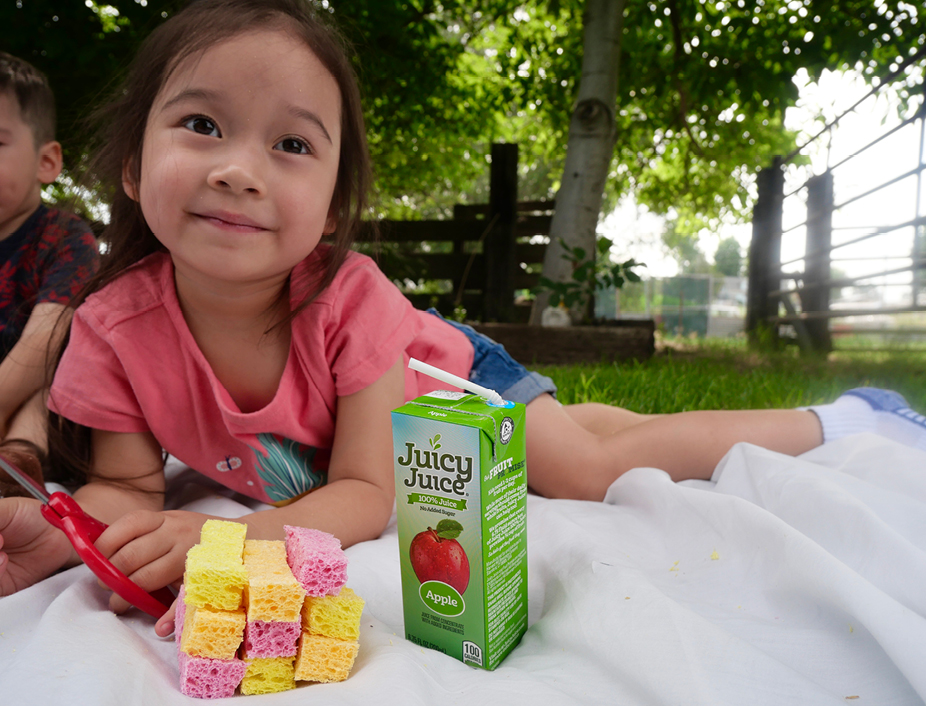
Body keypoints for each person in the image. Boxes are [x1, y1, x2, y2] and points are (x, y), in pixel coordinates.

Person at [1, 0, 924, 640]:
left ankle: (844, 418)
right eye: (201, 124)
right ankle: (600, 419)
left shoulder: (346, 296)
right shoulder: (110, 329)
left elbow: (369, 494)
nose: (240, 169)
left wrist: (237, 538)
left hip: (443, 386)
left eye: (290, 144)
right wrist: (83, 532)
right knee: (601, 428)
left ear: (328, 207)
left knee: (583, 466)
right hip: (371, 433)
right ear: (128, 165)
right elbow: (132, 492)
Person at [0, 52, 99, 497]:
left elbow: (47, 336)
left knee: (54, 365)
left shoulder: (63, 235)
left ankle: (18, 463)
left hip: (41, 406)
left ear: (46, 161)